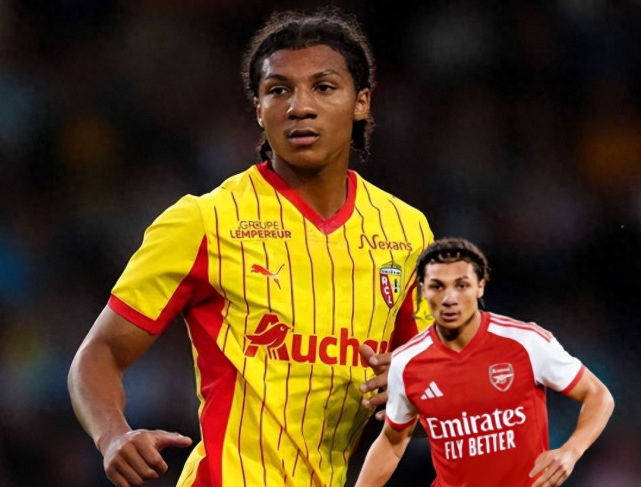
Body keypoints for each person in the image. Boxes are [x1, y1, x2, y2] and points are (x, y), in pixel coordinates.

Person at [67, 6, 435, 487]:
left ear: (361, 102)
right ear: (258, 108)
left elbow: (431, 394)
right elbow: (99, 354)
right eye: (279, 90)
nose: (299, 107)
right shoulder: (204, 221)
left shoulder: (407, 232)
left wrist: (416, 395)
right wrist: (113, 435)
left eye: (324, 87)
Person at [354, 237, 615, 487]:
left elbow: (598, 395)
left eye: (461, 285)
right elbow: (392, 442)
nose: (450, 298)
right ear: (423, 291)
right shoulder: (406, 362)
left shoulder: (526, 342)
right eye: (437, 286)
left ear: (480, 286)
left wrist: (571, 451)